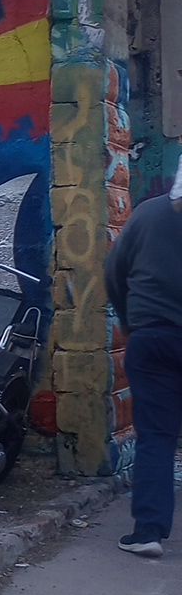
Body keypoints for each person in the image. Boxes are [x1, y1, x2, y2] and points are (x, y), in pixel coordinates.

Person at [105, 160, 182, 557]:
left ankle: (149, 531)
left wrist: (131, 321)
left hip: (151, 337)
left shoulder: (148, 214)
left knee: (156, 435)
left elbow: (114, 272)